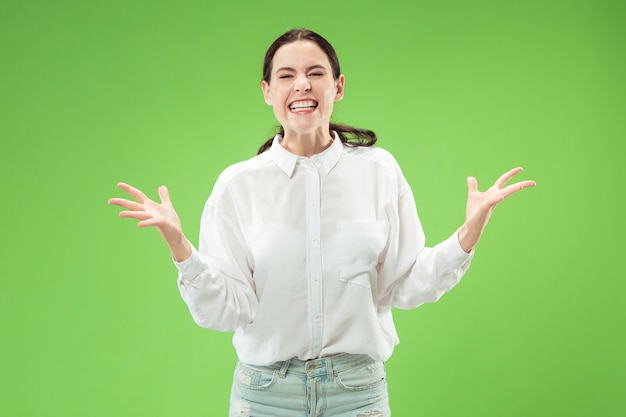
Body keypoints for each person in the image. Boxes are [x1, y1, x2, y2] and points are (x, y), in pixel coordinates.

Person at [108, 28, 536, 417]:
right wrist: (180, 247)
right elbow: (227, 309)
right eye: (286, 75)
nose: (301, 85)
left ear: (338, 86)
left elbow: (402, 284)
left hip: (358, 394)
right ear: (267, 91)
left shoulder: (379, 172)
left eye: (315, 73)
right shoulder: (238, 185)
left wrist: (467, 234)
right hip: (265, 397)